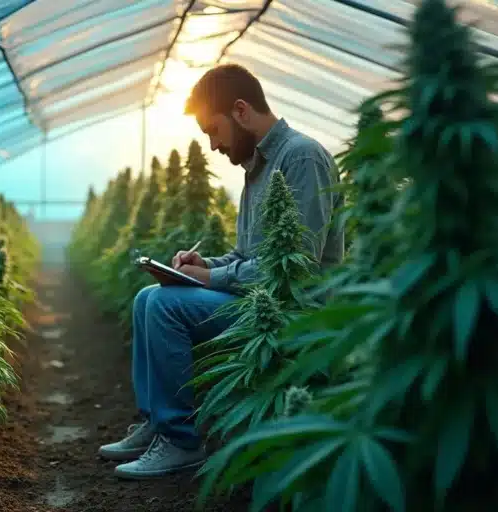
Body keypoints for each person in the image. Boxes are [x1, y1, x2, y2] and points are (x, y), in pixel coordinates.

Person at [98, 63, 344, 480]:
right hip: (255, 299)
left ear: (241, 111)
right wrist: (203, 266)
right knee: (147, 298)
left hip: (293, 309)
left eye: (213, 131)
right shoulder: (256, 168)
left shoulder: (301, 158)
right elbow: (244, 254)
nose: (213, 146)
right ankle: (158, 423)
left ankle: (180, 442)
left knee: (163, 306)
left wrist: (212, 280)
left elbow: (295, 265)